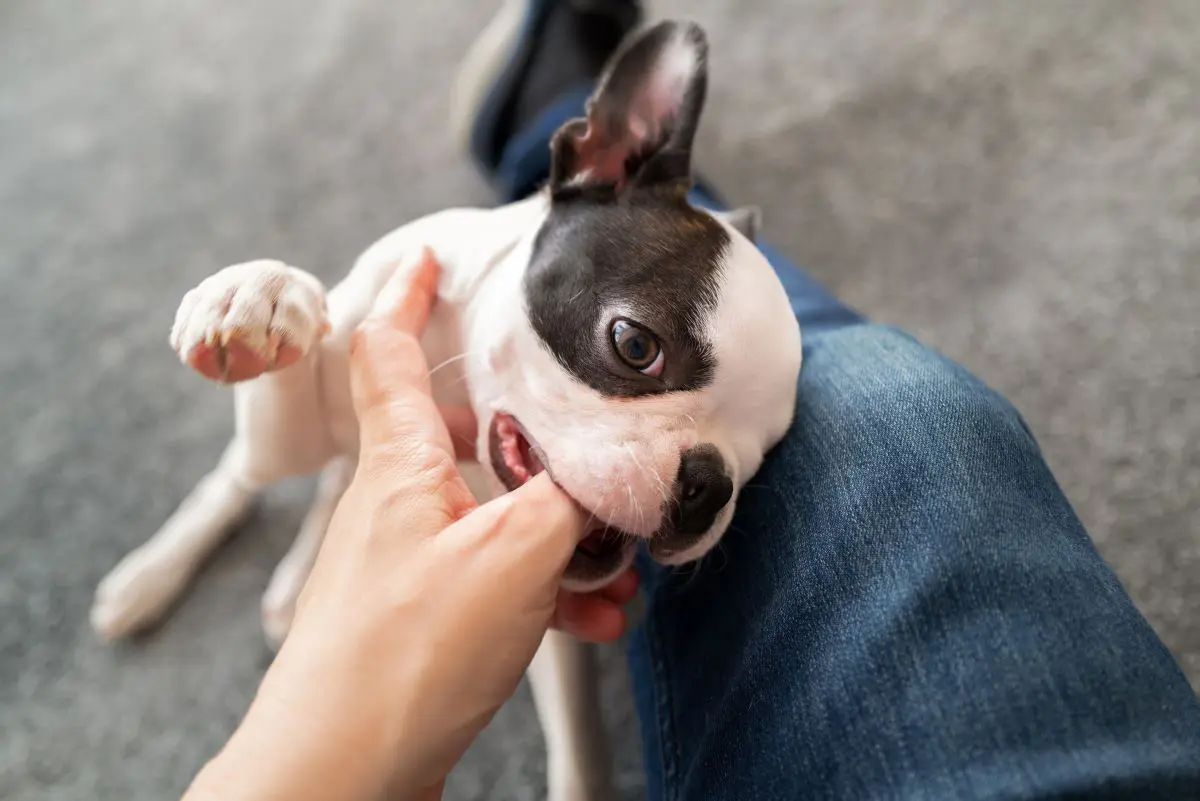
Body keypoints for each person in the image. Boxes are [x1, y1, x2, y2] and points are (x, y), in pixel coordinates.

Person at [184, 2, 1200, 800]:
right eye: (636, 351)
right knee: (886, 390)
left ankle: (553, 104)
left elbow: (542, 610)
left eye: (736, 470)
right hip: (574, 218)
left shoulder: (605, 432)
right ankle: (561, 117)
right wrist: (281, 318)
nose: (698, 489)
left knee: (871, 392)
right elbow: (275, 455)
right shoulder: (415, 280)